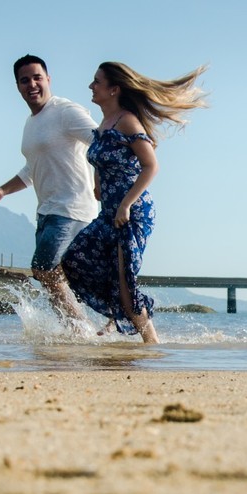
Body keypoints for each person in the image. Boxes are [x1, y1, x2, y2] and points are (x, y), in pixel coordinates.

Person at [61, 61, 207, 344]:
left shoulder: (127, 121)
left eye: (96, 82)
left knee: (126, 287)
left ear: (114, 89)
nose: (91, 86)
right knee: (74, 260)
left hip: (132, 212)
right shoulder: (104, 123)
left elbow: (151, 166)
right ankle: (118, 313)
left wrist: (126, 204)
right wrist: (97, 182)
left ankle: (151, 344)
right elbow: (100, 157)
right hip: (109, 213)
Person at [0, 55, 98, 322]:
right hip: (46, 213)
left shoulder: (65, 112)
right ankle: (89, 329)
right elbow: (32, 170)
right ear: (17, 86)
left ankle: (79, 329)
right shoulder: (31, 123)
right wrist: (2, 191)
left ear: (48, 79)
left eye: (37, 77)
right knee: (56, 274)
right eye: (25, 80)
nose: (32, 84)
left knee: (44, 269)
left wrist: (102, 182)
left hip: (72, 209)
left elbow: (102, 143)